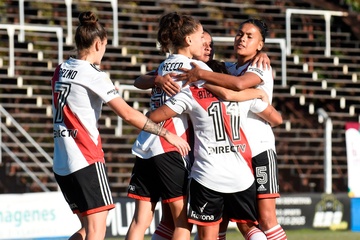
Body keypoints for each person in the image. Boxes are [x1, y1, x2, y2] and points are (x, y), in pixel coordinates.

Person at [51, 11, 190, 240]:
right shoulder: (93, 74)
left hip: (62, 160)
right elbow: (127, 114)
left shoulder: (60, 70)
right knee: (97, 229)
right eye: (105, 46)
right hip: (85, 158)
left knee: (86, 229)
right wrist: (166, 133)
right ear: (98, 43)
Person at [146, 58, 282, 240]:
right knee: (249, 227)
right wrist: (258, 95)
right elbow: (276, 119)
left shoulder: (191, 93)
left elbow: (153, 116)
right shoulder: (243, 95)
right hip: (241, 175)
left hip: (207, 176)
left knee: (208, 234)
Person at [176, 18, 287, 240]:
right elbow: (212, 65)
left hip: (259, 150)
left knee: (264, 219)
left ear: (260, 45)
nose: (242, 38)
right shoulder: (230, 68)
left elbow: (237, 86)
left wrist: (201, 75)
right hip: (234, 154)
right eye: (240, 33)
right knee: (224, 220)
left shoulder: (260, 67)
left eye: (249, 36)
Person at [126, 12, 215, 240]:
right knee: (182, 223)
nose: (203, 41)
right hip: (170, 148)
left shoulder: (164, 65)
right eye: (200, 36)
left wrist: (155, 79)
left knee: (139, 222)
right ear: (188, 40)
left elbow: (138, 81)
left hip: (146, 147)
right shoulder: (193, 67)